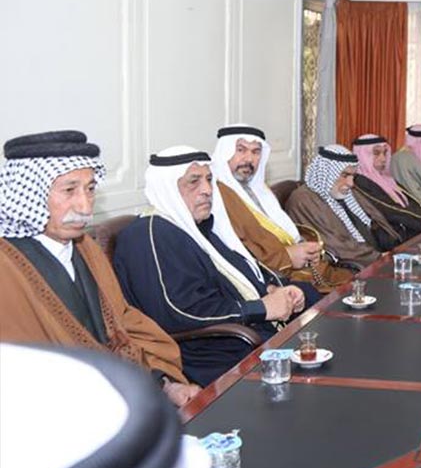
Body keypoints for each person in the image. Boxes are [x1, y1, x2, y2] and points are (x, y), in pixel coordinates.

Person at [0, 131, 199, 407]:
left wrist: (165, 384)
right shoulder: (7, 265)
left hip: (125, 395)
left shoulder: (86, 248)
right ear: (29, 194)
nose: (84, 206)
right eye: (69, 190)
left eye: (90, 189)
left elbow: (124, 324)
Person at [114, 147, 315, 386]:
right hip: (208, 350)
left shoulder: (196, 227)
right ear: (168, 187)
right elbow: (181, 311)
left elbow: (241, 268)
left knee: (313, 303)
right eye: (194, 182)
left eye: (209, 179)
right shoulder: (150, 235)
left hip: (237, 328)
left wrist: (274, 289)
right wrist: (261, 308)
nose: (207, 190)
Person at [211, 125, 351, 293]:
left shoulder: (257, 187)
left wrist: (303, 246)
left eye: (256, 152)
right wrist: (287, 256)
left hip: (297, 267)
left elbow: (279, 230)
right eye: (241, 150)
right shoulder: (217, 196)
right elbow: (235, 250)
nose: (249, 159)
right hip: (271, 279)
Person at [285, 145, 403, 268]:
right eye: (345, 175)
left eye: (353, 176)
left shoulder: (343, 192)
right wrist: (379, 258)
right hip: (351, 267)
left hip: (376, 256)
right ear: (328, 173)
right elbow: (336, 246)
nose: (351, 183)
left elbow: (376, 220)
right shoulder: (305, 200)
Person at [352, 134, 421, 240]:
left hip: (409, 231)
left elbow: (410, 200)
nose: (383, 159)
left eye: (385, 153)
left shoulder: (386, 179)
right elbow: (388, 209)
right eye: (376, 153)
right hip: (390, 239)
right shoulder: (359, 181)